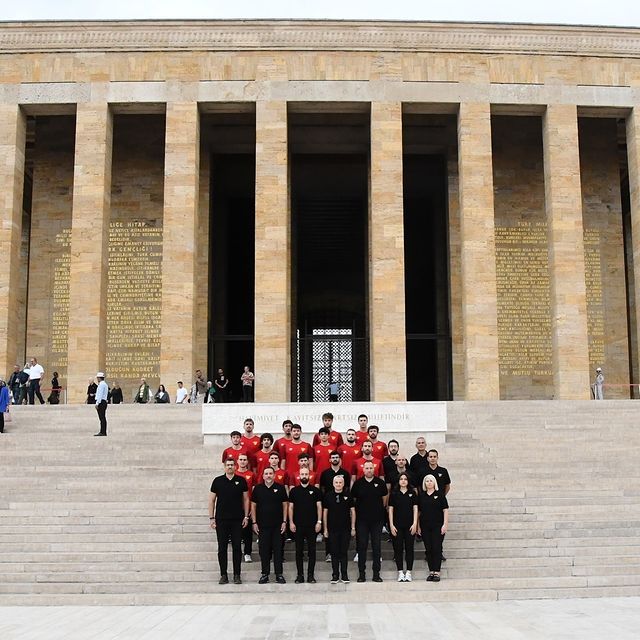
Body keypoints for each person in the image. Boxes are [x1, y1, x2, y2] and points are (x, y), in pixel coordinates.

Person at [209, 458, 250, 585]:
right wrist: (212, 518)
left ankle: (237, 575)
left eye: (232, 465)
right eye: (228, 465)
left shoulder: (241, 480)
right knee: (222, 548)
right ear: (224, 466)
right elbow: (211, 500)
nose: (230, 467)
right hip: (221, 520)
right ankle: (223, 574)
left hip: (237, 520)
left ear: (235, 466)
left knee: (237, 548)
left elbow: (246, 499)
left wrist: (246, 517)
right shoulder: (217, 481)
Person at [351, 461, 388, 582]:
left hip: (377, 520)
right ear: (363, 469)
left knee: (377, 546)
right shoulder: (358, 484)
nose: (369, 470)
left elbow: (384, 499)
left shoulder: (380, 483)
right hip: (362, 521)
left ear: (374, 469)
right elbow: (354, 501)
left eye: (371, 468)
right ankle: (362, 574)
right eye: (367, 468)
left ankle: (376, 574)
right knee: (362, 547)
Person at [251, 467, 288, 584]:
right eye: (266, 474)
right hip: (262, 526)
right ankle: (264, 574)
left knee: (278, 550)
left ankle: (279, 574)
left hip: (277, 526)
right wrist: (254, 522)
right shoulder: (257, 489)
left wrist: (284, 521)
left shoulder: (280, 488)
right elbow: (253, 506)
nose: (268, 476)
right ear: (263, 476)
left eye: (270, 473)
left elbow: (285, 506)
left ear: (274, 475)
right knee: (264, 550)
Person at [288, 466, 323, 583]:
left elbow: (319, 507)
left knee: (312, 551)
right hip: (298, 526)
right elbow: (291, 508)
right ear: (299, 476)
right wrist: (291, 522)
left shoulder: (316, 491)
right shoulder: (294, 491)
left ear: (309, 476)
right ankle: (300, 575)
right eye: (302, 474)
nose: (304, 476)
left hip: (312, 526)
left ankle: (311, 575)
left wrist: (319, 522)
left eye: (306, 474)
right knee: (299, 551)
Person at [323, 475, 355, 584]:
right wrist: (325, 529)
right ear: (333, 484)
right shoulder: (328, 496)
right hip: (332, 529)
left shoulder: (348, 495)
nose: (338, 484)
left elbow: (353, 512)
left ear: (343, 483)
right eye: (336, 482)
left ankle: (344, 575)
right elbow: (325, 513)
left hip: (345, 529)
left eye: (340, 482)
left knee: (343, 552)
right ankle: (335, 575)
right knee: (334, 552)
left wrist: (353, 527)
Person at [418, 474, 449, 582]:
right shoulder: (421, 496)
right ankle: (431, 571)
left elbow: (445, 510)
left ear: (434, 482)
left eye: (431, 481)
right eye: (427, 481)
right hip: (425, 526)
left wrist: (445, 524)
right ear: (424, 483)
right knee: (429, 549)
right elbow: (419, 512)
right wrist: (418, 526)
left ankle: (437, 572)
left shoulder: (440, 495)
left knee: (437, 548)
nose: (429, 483)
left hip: (437, 526)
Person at [388, 472, 418, 582]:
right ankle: (400, 572)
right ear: (398, 481)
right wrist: (391, 525)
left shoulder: (412, 493)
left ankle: (409, 572)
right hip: (397, 526)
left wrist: (415, 523)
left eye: (405, 479)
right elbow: (390, 510)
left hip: (410, 526)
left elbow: (415, 509)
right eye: (401, 479)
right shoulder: (394, 493)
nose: (403, 481)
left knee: (410, 549)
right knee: (398, 549)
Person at [426, 449, 452, 562]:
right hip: (426, 503)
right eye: (430, 456)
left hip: (439, 504)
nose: (432, 458)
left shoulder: (443, 471)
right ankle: (428, 553)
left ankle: (439, 552)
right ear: (427, 458)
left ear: (437, 458)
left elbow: (447, 486)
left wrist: (441, 496)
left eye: (434, 456)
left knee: (439, 531)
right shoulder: (423, 471)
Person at [234, 454, 256, 563]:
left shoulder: (251, 474)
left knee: (247, 532)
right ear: (237, 461)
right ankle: (238, 552)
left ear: (247, 462)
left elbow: (254, 493)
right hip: (236, 508)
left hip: (248, 507)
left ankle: (247, 553)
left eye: (244, 460)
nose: (242, 462)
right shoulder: (233, 474)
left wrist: (252, 507)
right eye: (241, 460)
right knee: (237, 531)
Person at [94, 372, 109, 436]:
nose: (97, 379)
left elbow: (100, 395)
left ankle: (102, 432)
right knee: (103, 418)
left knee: (102, 418)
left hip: (101, 402)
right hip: (104, 401)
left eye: (97, 378)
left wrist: (97, 403)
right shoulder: (105, 384)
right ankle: (103, 431)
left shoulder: (101, 385)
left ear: (99, 378)